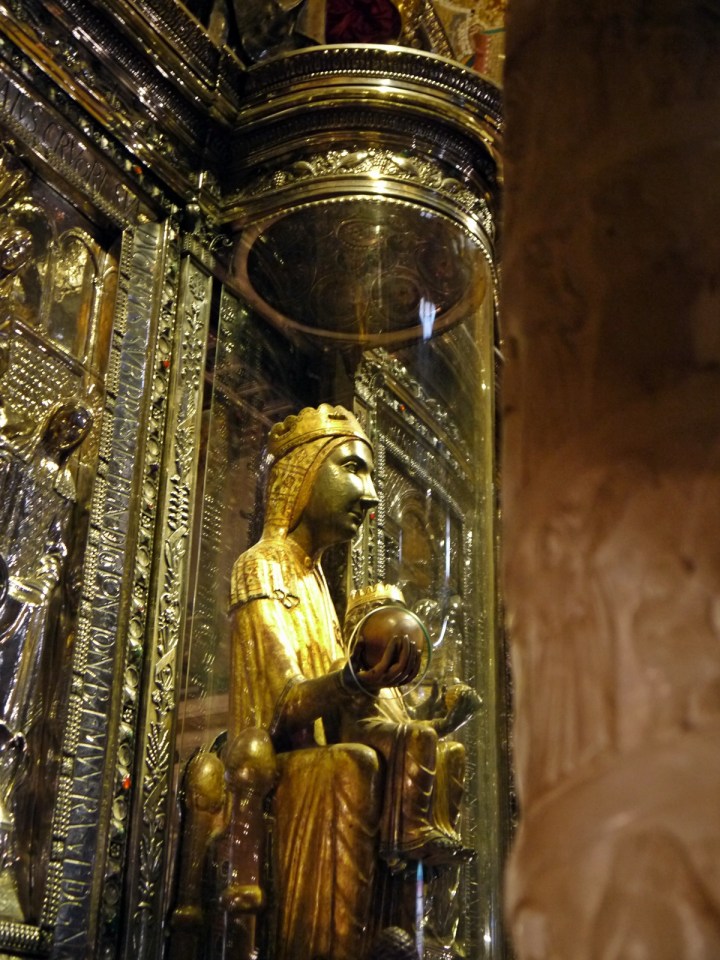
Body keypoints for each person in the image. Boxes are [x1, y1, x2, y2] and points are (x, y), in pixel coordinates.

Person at [227, 403, 476, 959]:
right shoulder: (261, 566)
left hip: (321, 754)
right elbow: (283, 705)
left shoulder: (316, 581)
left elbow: (351, 710)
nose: (369, 495)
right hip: (275, 770)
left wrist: (398, 705)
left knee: (440, 749)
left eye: (369, 473)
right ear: (302, 477)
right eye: (352, 469)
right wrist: (354, 680)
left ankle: (401, 907)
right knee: (354, 763)